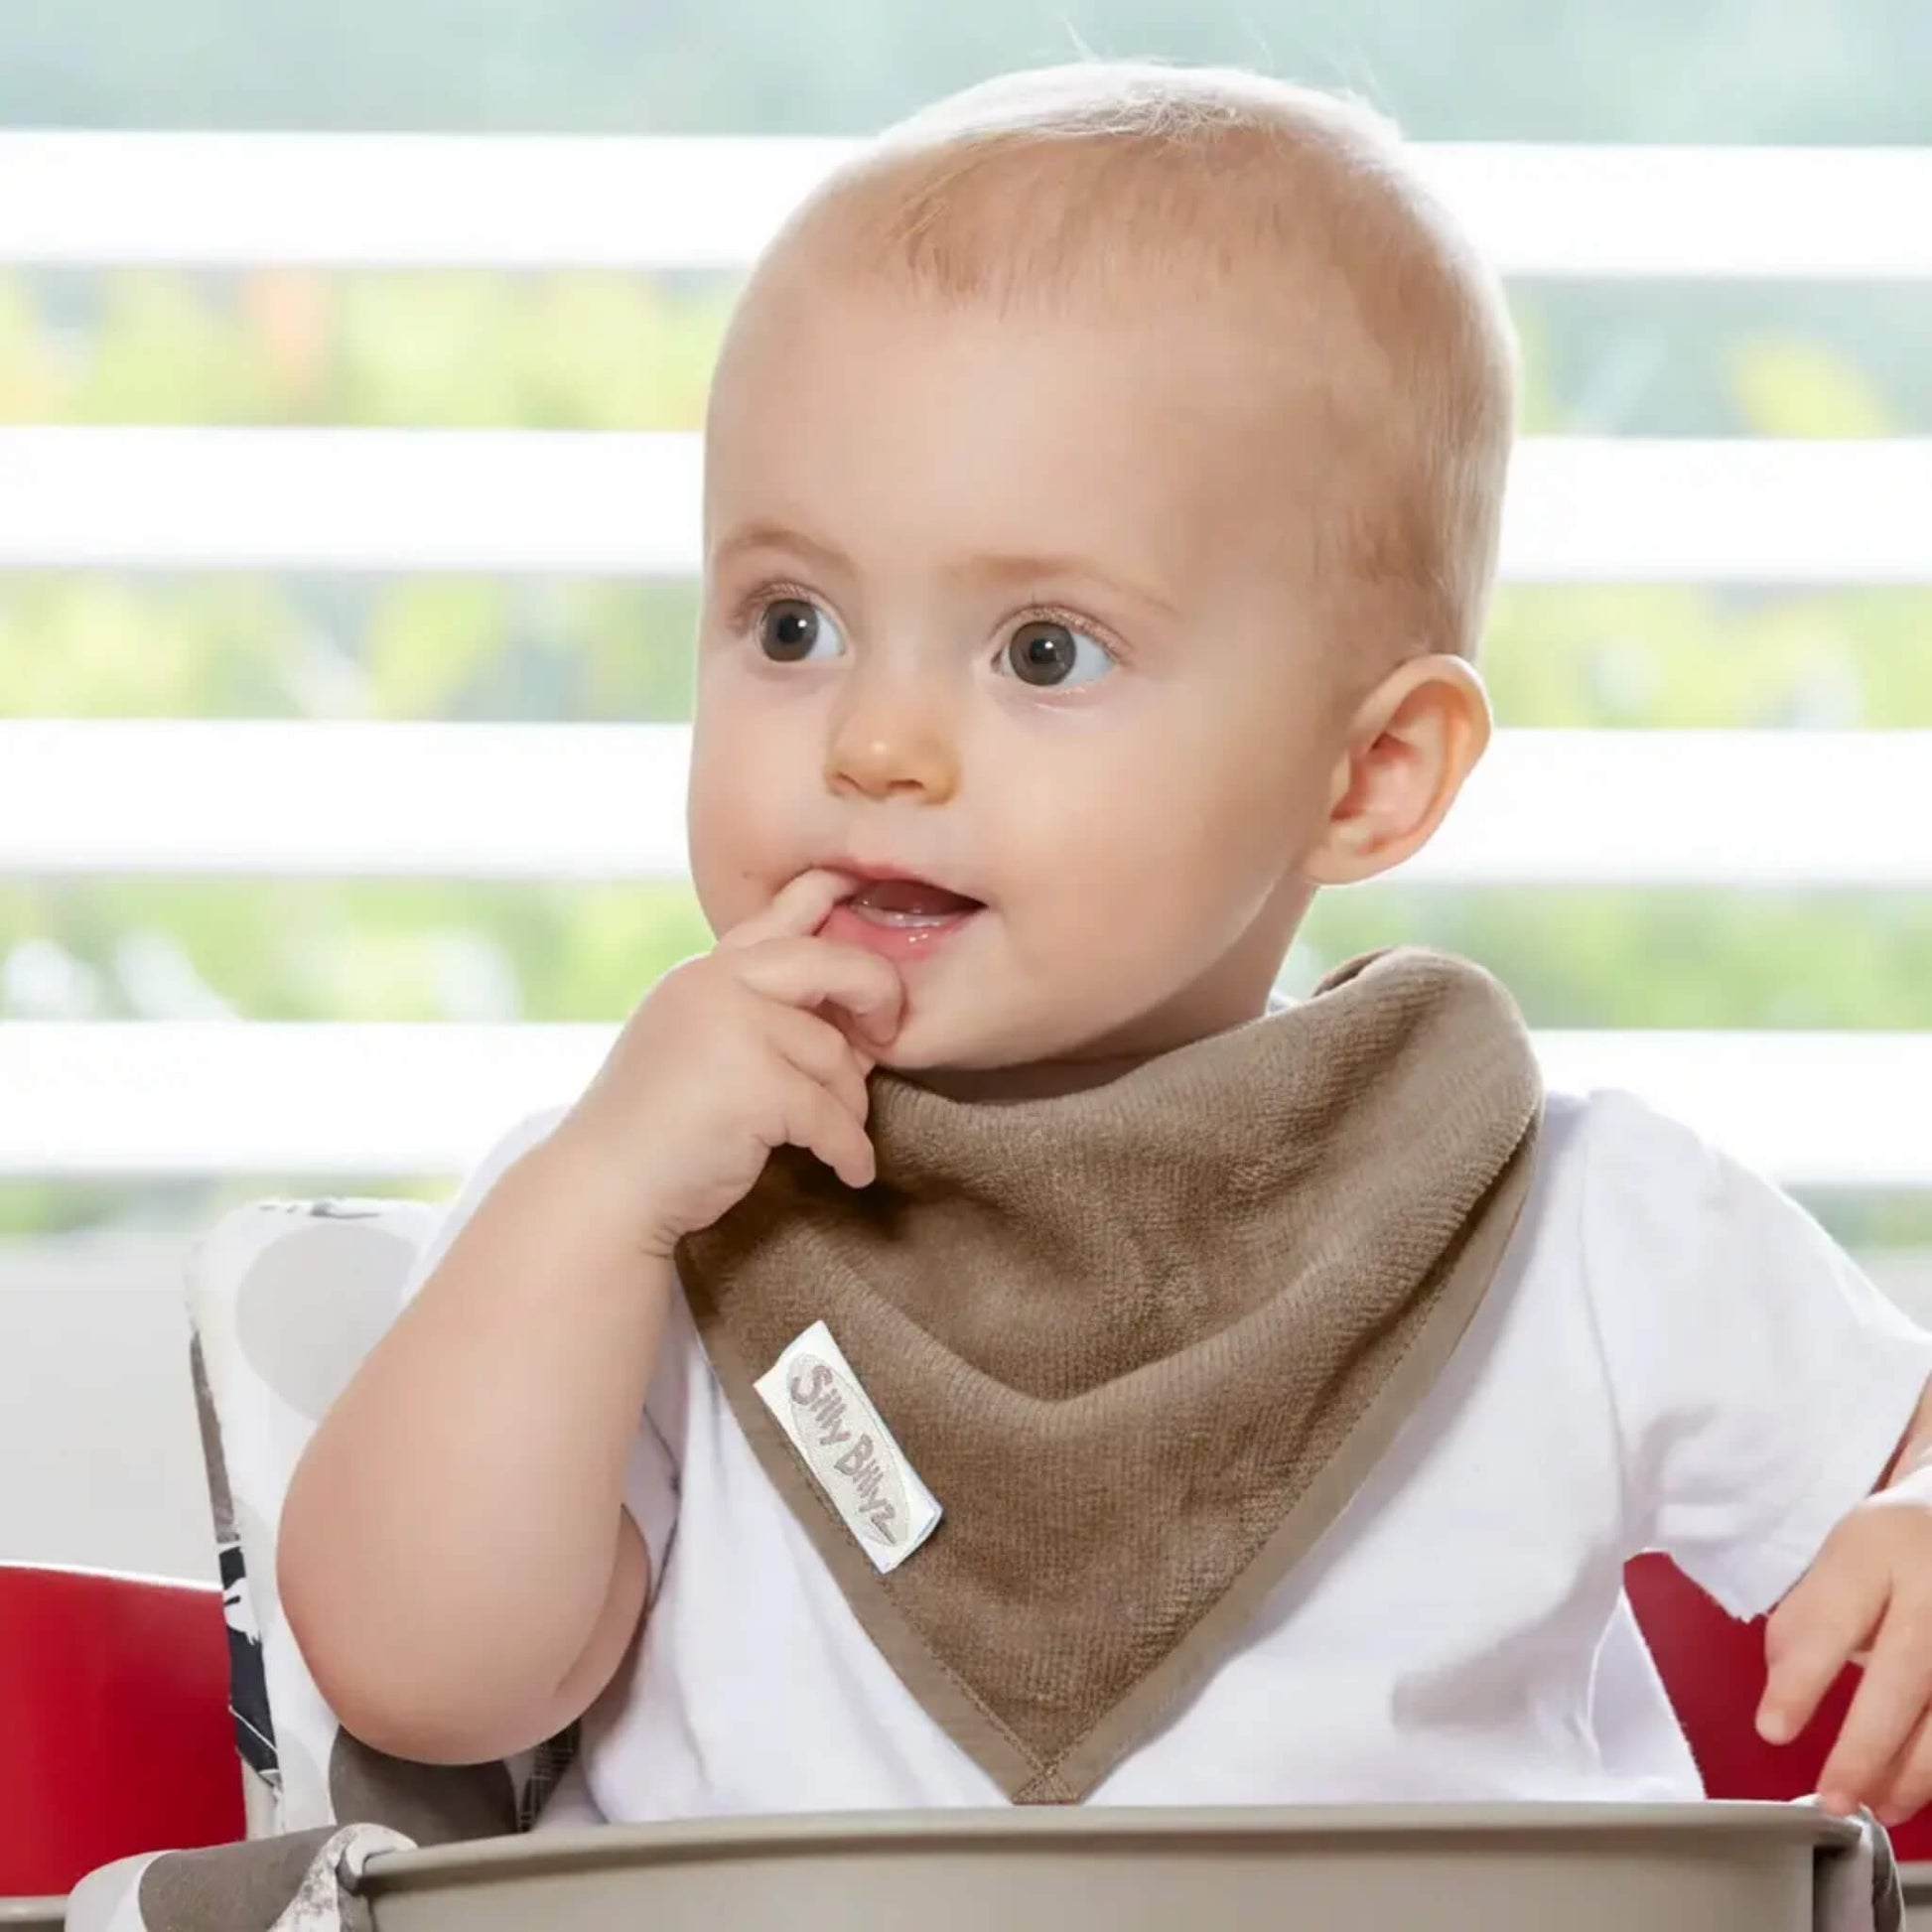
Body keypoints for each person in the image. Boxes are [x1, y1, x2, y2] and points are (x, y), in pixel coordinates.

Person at [277, 62, 1932, 1830]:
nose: (875, 743)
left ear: (1366, 777)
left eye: (1043, 651)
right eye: (792, 621)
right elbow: (421, 1679)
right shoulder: (644, 1219)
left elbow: (1895, 1443)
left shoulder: (1560, 1220)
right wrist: (596, 1199)